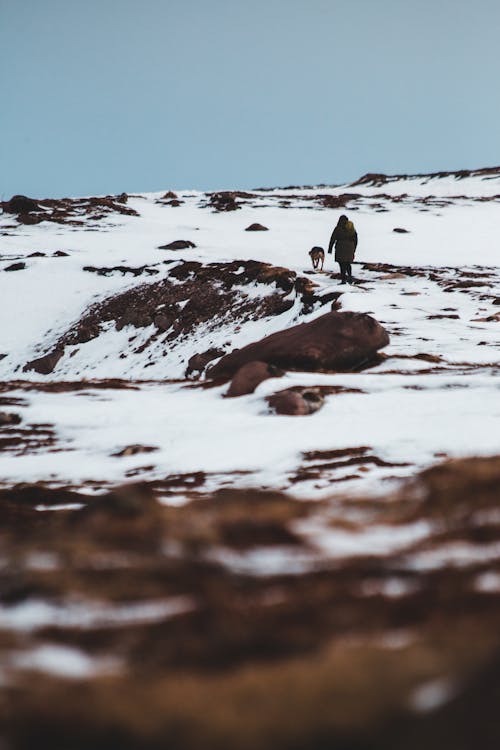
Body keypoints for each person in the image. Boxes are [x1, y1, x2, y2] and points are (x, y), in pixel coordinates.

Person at [327, 214, 358, 284]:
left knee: (342, 264)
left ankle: (343, 280)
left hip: (340, 247)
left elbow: (333, 238)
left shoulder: (338, 227)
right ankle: (350, 278)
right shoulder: (351, 228)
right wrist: (354, 249)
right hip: (350, 247)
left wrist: (330, 248)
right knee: (348, 263)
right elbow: (356, 239)